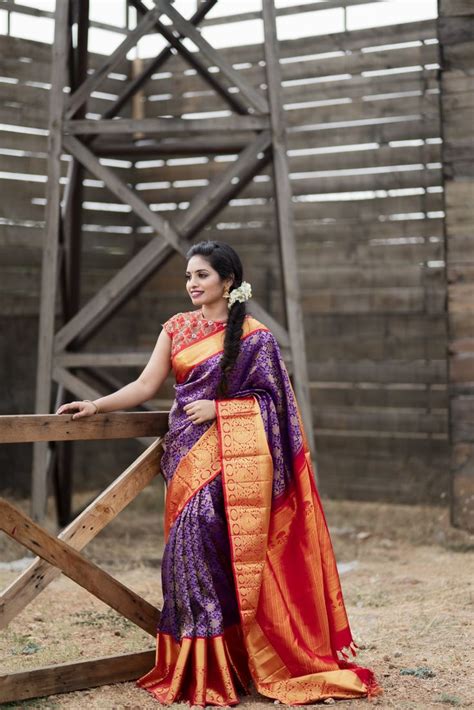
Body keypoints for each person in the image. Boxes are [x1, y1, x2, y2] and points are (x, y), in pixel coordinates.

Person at [56, 240, 382, 706]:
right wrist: (96, 404)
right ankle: (202, 668)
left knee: (221, 555)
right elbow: (146, 385)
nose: (192, 283)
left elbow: (279, 407)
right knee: (185, 558)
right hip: (185, 461)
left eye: (202, 275)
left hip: (234, 462)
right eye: (189, 275)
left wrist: (223, 409)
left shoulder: (256, 338)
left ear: (227, 281)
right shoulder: (177, 328)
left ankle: (234, 665)